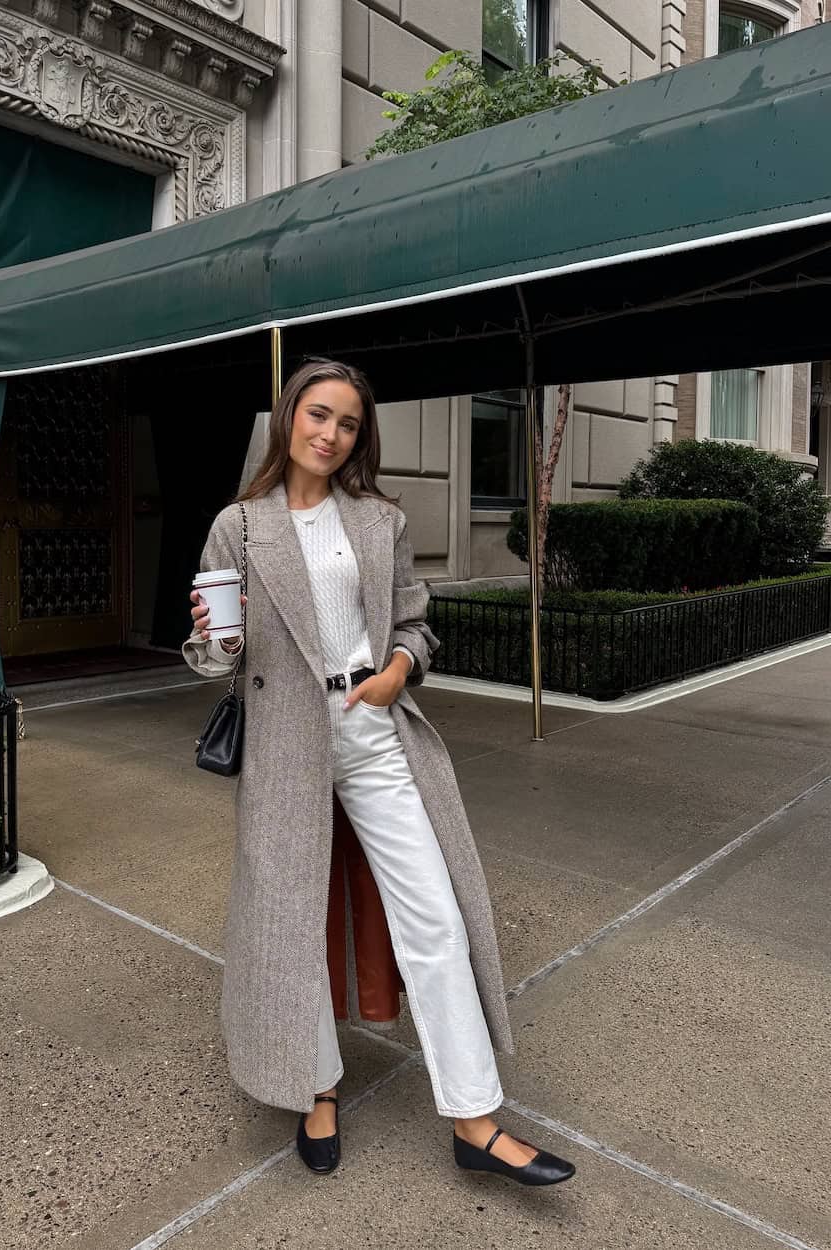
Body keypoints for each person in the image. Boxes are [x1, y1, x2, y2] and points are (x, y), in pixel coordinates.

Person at [182, 359, 574, 1186]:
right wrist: (215, 639)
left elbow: (414, 621)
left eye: (348, 423)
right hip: (285, 741)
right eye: (317, 415)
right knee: (291, 926)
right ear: (289, 418)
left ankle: (474, 1117)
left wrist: (398, 667)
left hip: (368, 726)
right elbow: (216, 655)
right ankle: (314, 1086)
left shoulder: (377, 521)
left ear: (361, 436)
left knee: (433, 913)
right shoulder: (239, 526)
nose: (329, 434)